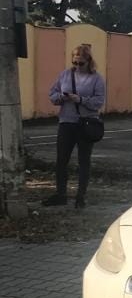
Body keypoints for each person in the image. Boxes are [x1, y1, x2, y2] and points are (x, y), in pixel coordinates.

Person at [43, 44, 106, 209]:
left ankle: (80, 197)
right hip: (66, 123)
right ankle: (61, 195)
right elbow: (52, 94)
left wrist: (81, 100)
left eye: (81, 63)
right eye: (75, 62)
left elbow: (99, 102)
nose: (77, 66)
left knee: (83, 161)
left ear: (89, 61)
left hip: (86, 123)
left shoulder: (96, 79)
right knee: (61, 161)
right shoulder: (65, 75)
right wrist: (61, 98)